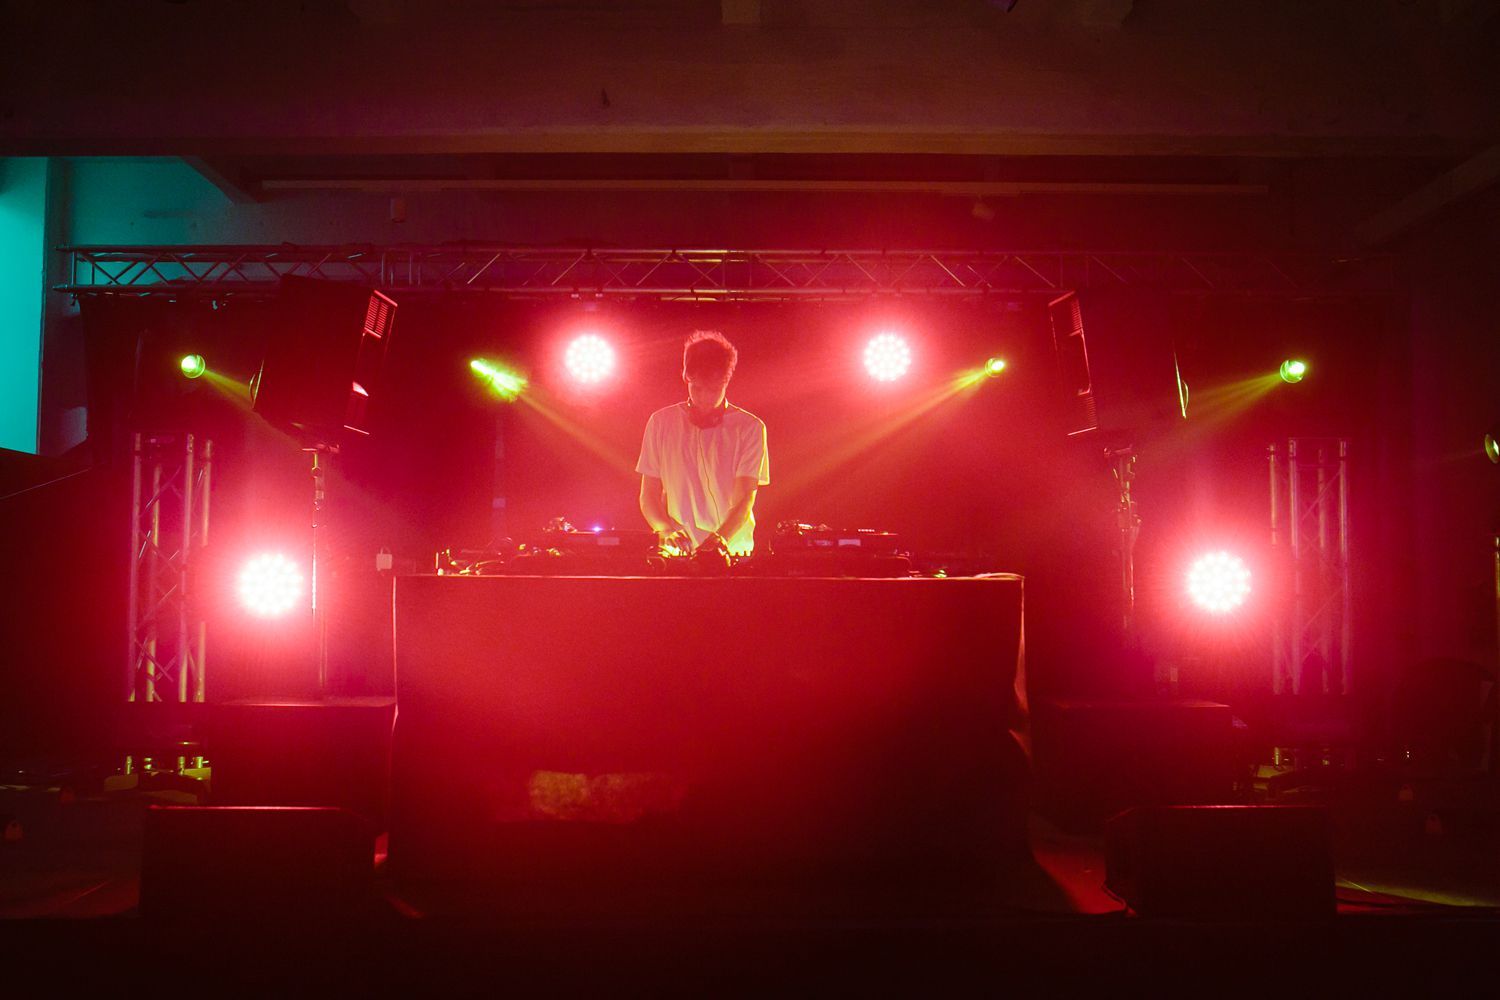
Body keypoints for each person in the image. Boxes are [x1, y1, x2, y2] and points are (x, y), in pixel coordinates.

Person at [636, 330, 769, 558]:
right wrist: (665, 530)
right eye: (697, 388)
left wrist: (719, 540)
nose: (704, 398)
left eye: (714, 390)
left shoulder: (751, 428)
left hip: (732, 551)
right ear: (686, 378)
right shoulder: (660, 423)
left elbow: (745, 498)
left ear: (727, 381)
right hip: (678, 552)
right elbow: (648, 495)